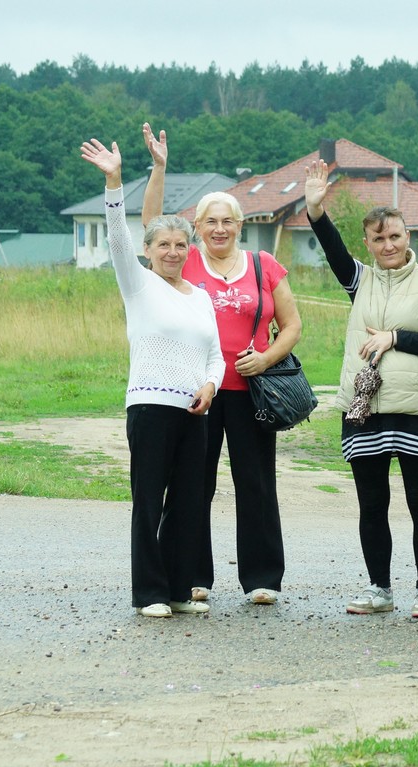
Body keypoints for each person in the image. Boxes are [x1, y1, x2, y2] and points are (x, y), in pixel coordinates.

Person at [141, 124, 301, 606]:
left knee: (256, 485)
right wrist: (159, 168)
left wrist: (267, 357)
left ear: (240, 224)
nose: (218, 229)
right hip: (198, 393)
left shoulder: (264, 265)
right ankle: (193, 576)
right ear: (198, 226)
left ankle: (262, 578)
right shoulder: (183, 261)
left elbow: (292, 325)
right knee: (193, 487)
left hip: (253, 392)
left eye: (226, 221)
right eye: (209, 221)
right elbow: (151, 223)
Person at [303, 159, 418, 618]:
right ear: (368, 243)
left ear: (408, 236)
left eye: (395, 236)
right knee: (372, 504)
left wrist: (395, 338)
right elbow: (332, 249)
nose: (387, 245)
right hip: (365, 408)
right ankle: (379, 588)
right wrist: (315, 209)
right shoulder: (360, 279)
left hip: (416, 409)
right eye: (378, 239)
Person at [80, 137, 223, 618]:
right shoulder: (138, 284)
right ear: (149, 250)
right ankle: (150, 594)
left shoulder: (200, 296)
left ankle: (180, 589)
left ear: (190, 249)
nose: (173, 251)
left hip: (194, 410)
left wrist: (210, 385)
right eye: (163, 244)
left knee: (187, 503)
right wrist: (115, 181)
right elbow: (117, 234)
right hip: (149, 407)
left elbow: (215, 355)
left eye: (181, 245)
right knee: (148, 501)